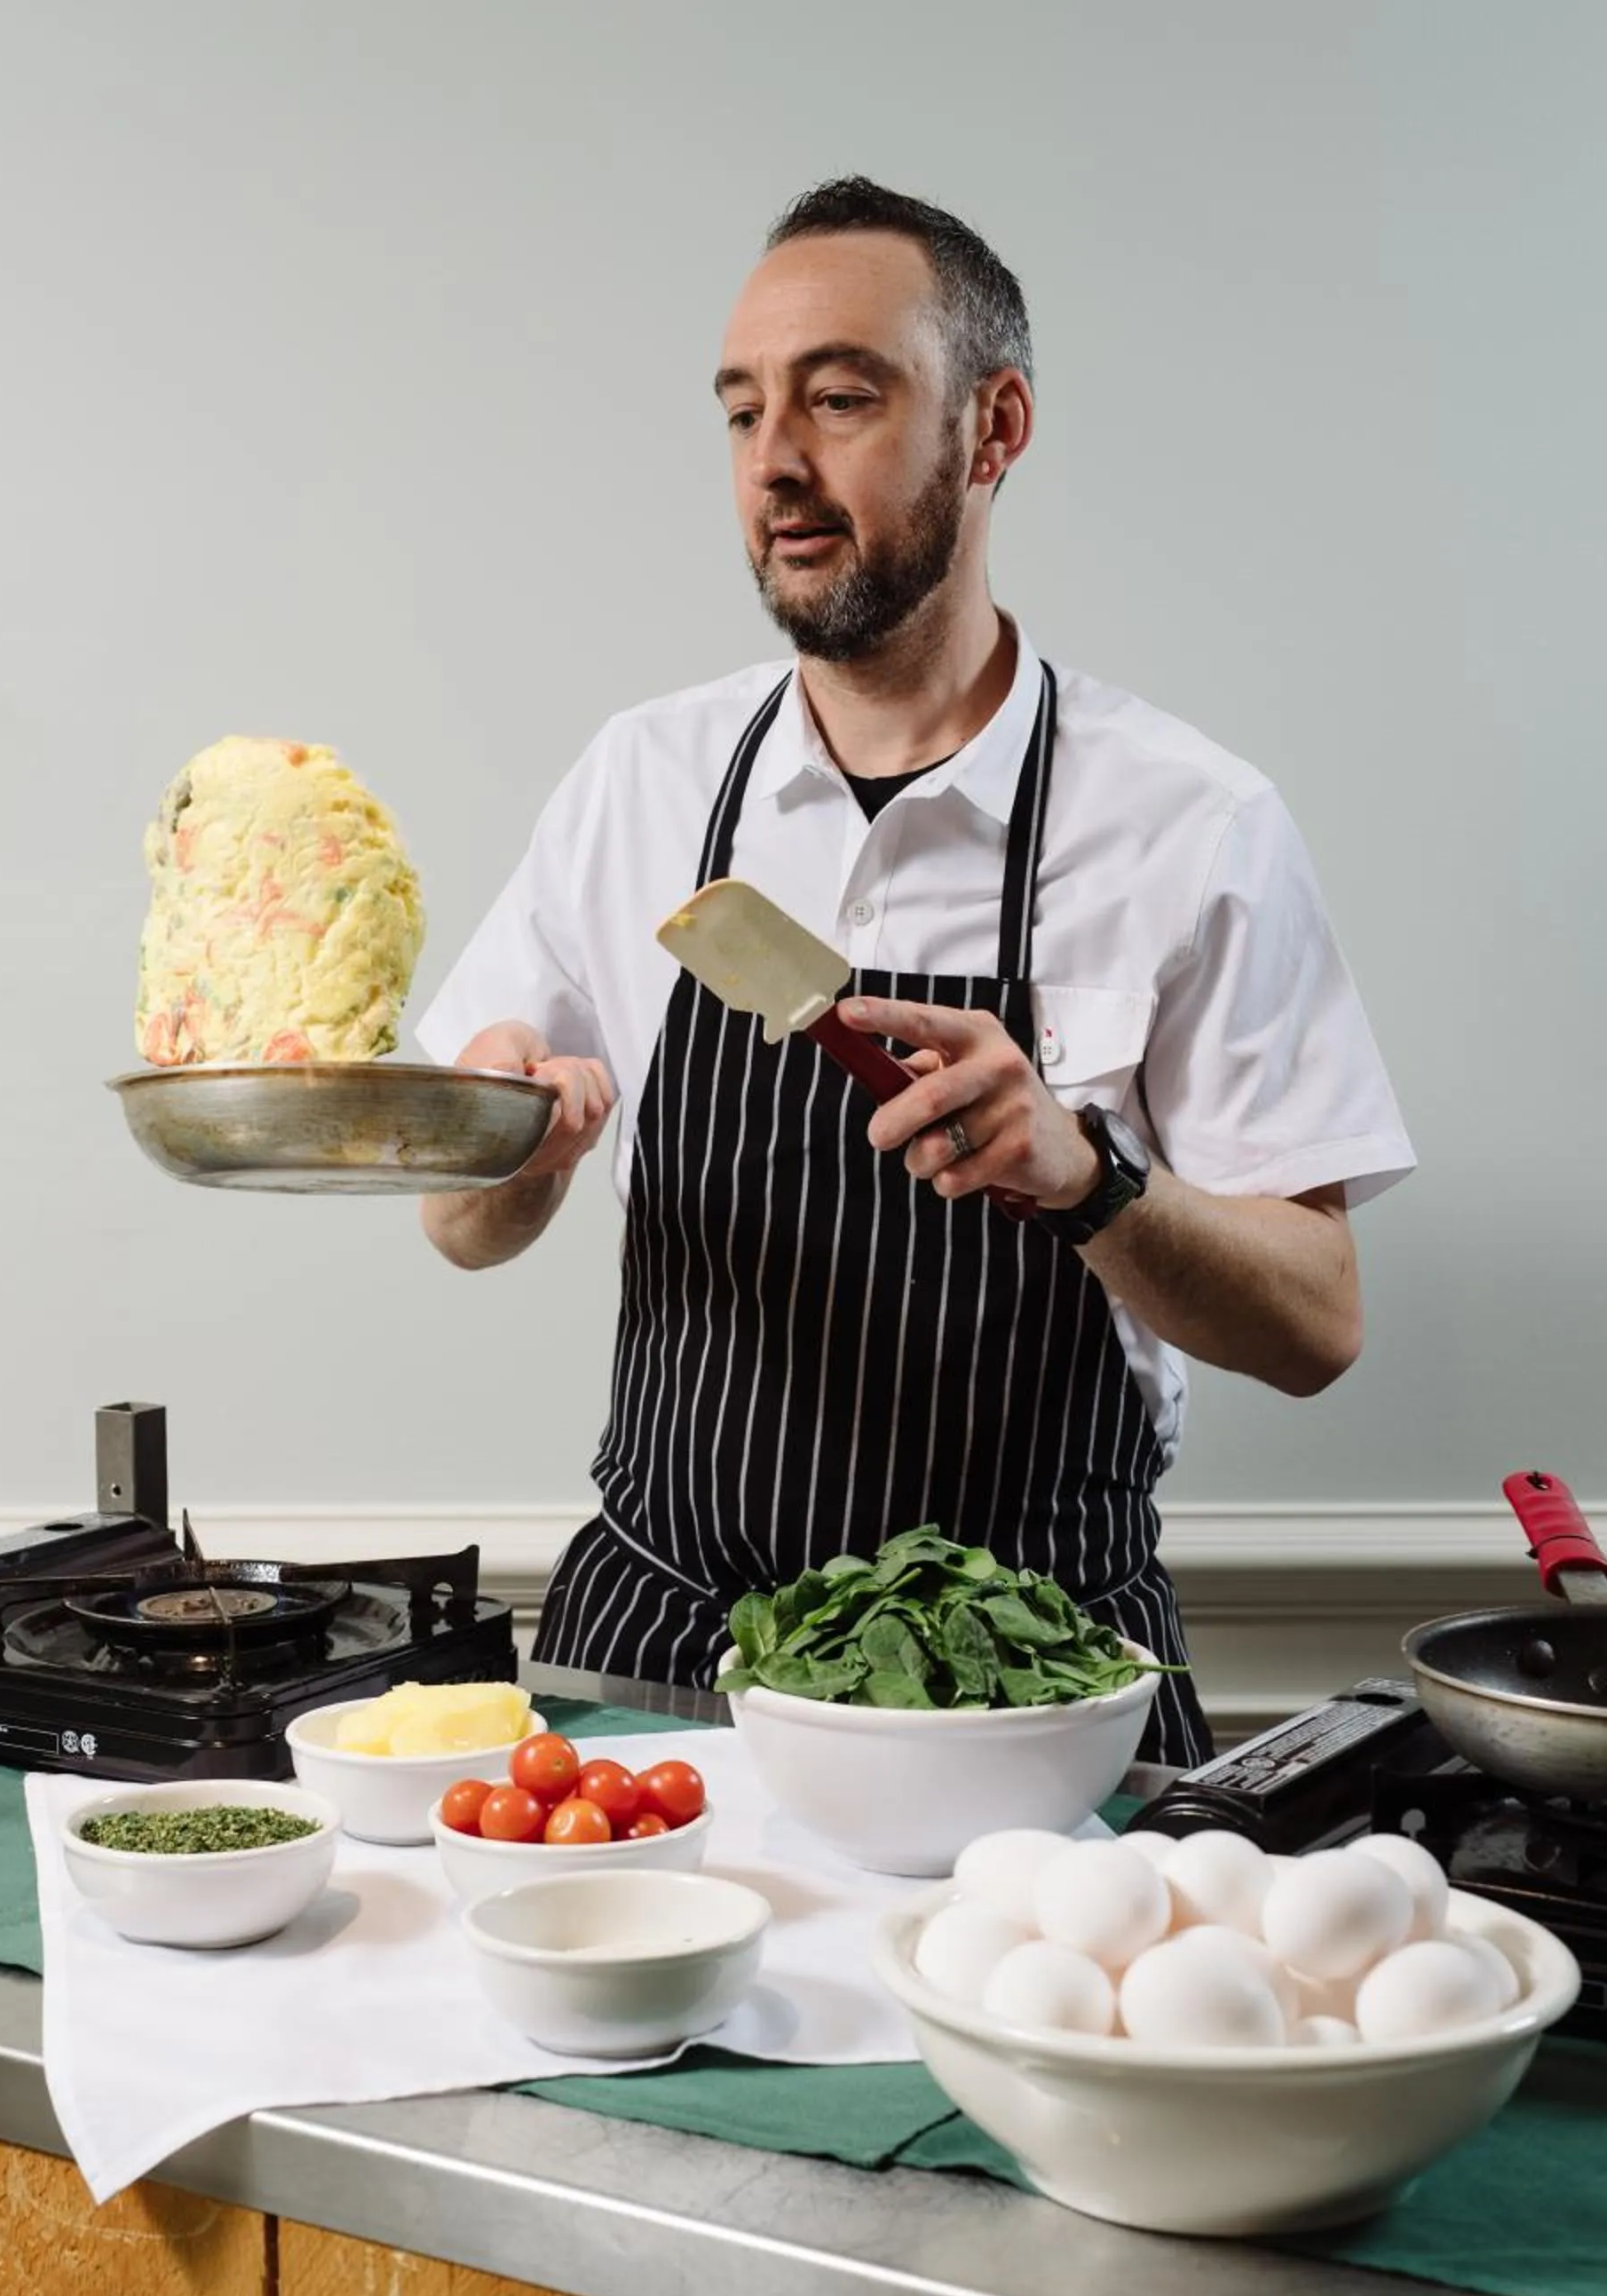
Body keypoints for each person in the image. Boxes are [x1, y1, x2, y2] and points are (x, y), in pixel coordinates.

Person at [416, 177, 1413, 1764]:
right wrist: (519, 1153)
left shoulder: (1190, 823)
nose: (777, 466)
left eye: (841, 398)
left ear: (994, 426)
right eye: (744, 412)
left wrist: (1089, 1179)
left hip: (1042, 1688)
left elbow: (1318, 1324)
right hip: (664, 1676)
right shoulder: (643, 782)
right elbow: (462, 1223)